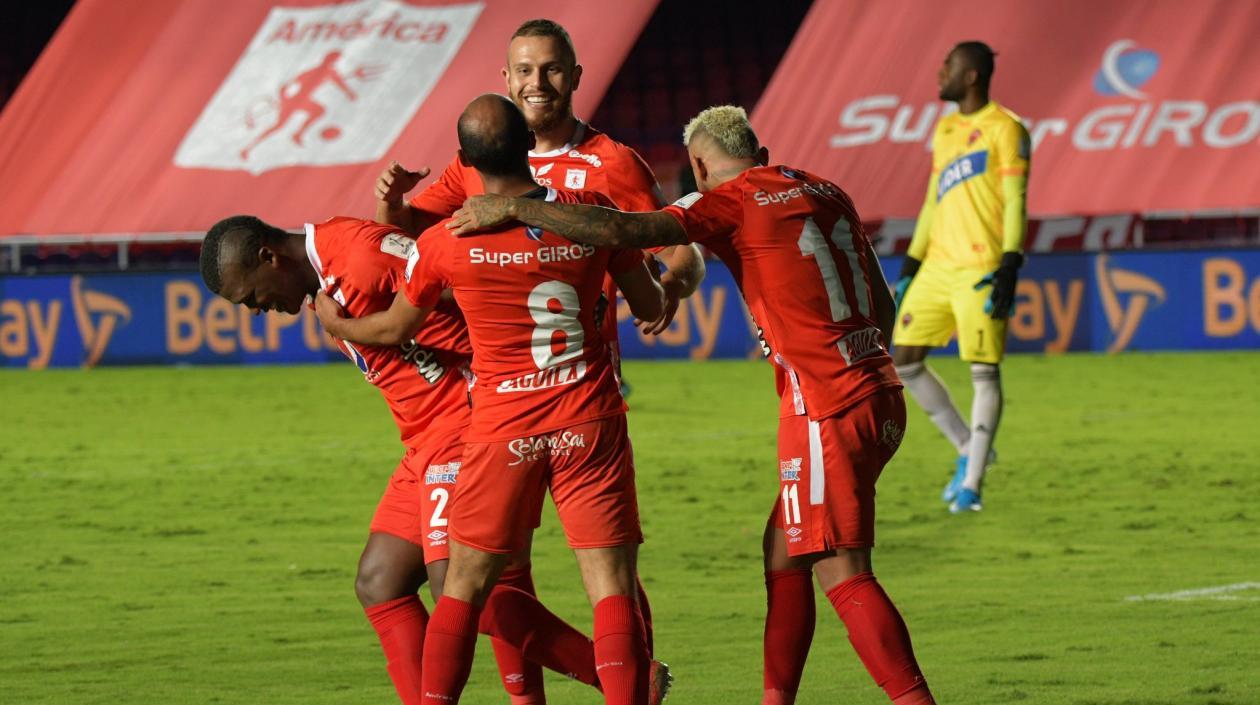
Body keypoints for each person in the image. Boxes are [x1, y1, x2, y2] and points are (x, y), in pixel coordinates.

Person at [445, 105, 938, 705]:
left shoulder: (726, 198)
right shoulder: (825, 188)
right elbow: (882, 308)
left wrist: (516, 208)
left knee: (842, 569)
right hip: (881, 391)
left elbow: (627, 231)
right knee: (783, 550)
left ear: (700, 166)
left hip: (825, 407)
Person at [198, 213, 646, 705]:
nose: (257, 310)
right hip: (426, 440)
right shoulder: (327, 277)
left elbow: (466, 281)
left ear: (269, 257)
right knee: (380, 581)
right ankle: (615, 678)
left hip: (466, 424)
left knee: (461, 587)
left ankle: (623, 680)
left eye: (250, 297)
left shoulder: (361, 254)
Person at [316, 94, 666, 705]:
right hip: (587, 416)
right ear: (530, 147)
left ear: (466, 164)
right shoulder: (587, 213)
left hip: (502, 428)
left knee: (466, 588)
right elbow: (650, 304)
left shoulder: (446, 243)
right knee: (610, 587)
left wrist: (337, 325)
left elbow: (395, 328)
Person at [374, 17, 705, 385]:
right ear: (508, 78)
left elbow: (680, 252)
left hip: (583, 381)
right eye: (525, 71)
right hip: (495, 382)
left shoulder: (613, 164)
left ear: (575, 77)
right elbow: (401, 235)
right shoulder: (481, 158)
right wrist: (391, 200)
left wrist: (672, 287)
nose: (537, 84)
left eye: (552, 70)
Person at [890, 41, 1031, 513]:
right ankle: (971, 448)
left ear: (970, 76)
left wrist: (1010, 262)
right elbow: (935, 198)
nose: (939, 72)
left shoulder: (1007, 129)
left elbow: (1015, 200)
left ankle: (970, 487)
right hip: (937, 266)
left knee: (983, 371)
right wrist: (911, 263)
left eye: (947, 66)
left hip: (981, 267)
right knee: (904, 358)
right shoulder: (947, 128)